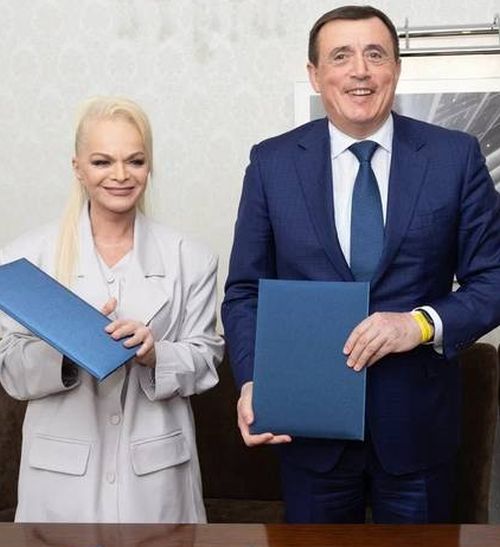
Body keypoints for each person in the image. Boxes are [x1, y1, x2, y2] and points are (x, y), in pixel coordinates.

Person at [222, 5, 500, 524]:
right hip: (308, 427)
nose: (360, 71)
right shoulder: (271, 163)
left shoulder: (455, 157)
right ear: (315, 74)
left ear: (396, 68)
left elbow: (493, 278)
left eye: (375, 55)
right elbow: (245, 292)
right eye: (341, 56)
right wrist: (255, 381)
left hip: (418, 431)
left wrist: (419, 324)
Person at [0, 96, 224, 523]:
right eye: (102, 162)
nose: (120, 175)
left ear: (149, 166)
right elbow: (10, 369)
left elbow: (206, 358)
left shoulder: (191, 258)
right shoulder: (26, 258)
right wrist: (71, 343)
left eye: (135, 161)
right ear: (78, 168)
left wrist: (155, 354)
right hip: (60, 478)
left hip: (156, 475)